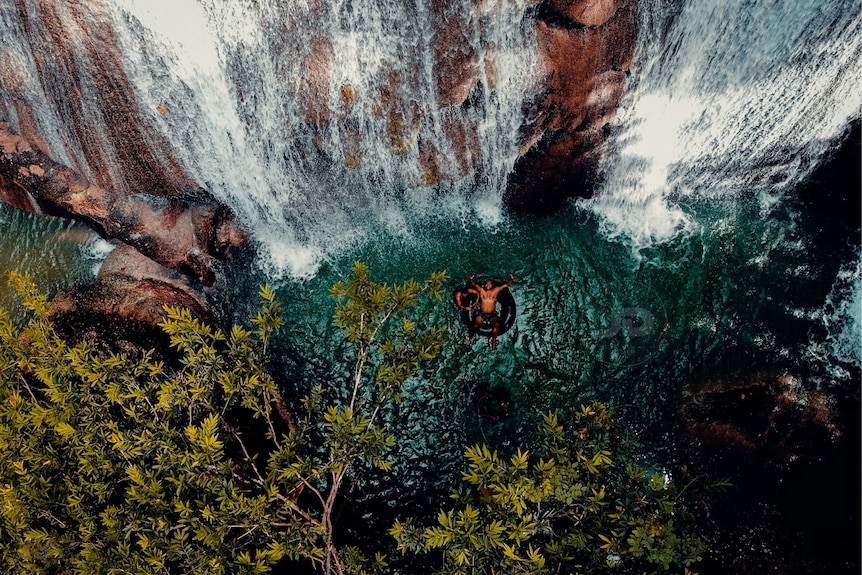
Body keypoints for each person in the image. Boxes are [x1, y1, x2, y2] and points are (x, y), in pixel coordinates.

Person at [456, 274, 516, 350]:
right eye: (487, 284)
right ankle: (469, 338)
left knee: (496, 325)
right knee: (475, 324)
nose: (488, 285)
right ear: (485, 285)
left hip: (492, 314)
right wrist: (471, 279)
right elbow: (474, 284)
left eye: (490, 284)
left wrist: (512, 279)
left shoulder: (496, 290)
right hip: (482, 313)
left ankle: (494, 342)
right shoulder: (481, 290)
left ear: (492, 285)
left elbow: (507, 285)